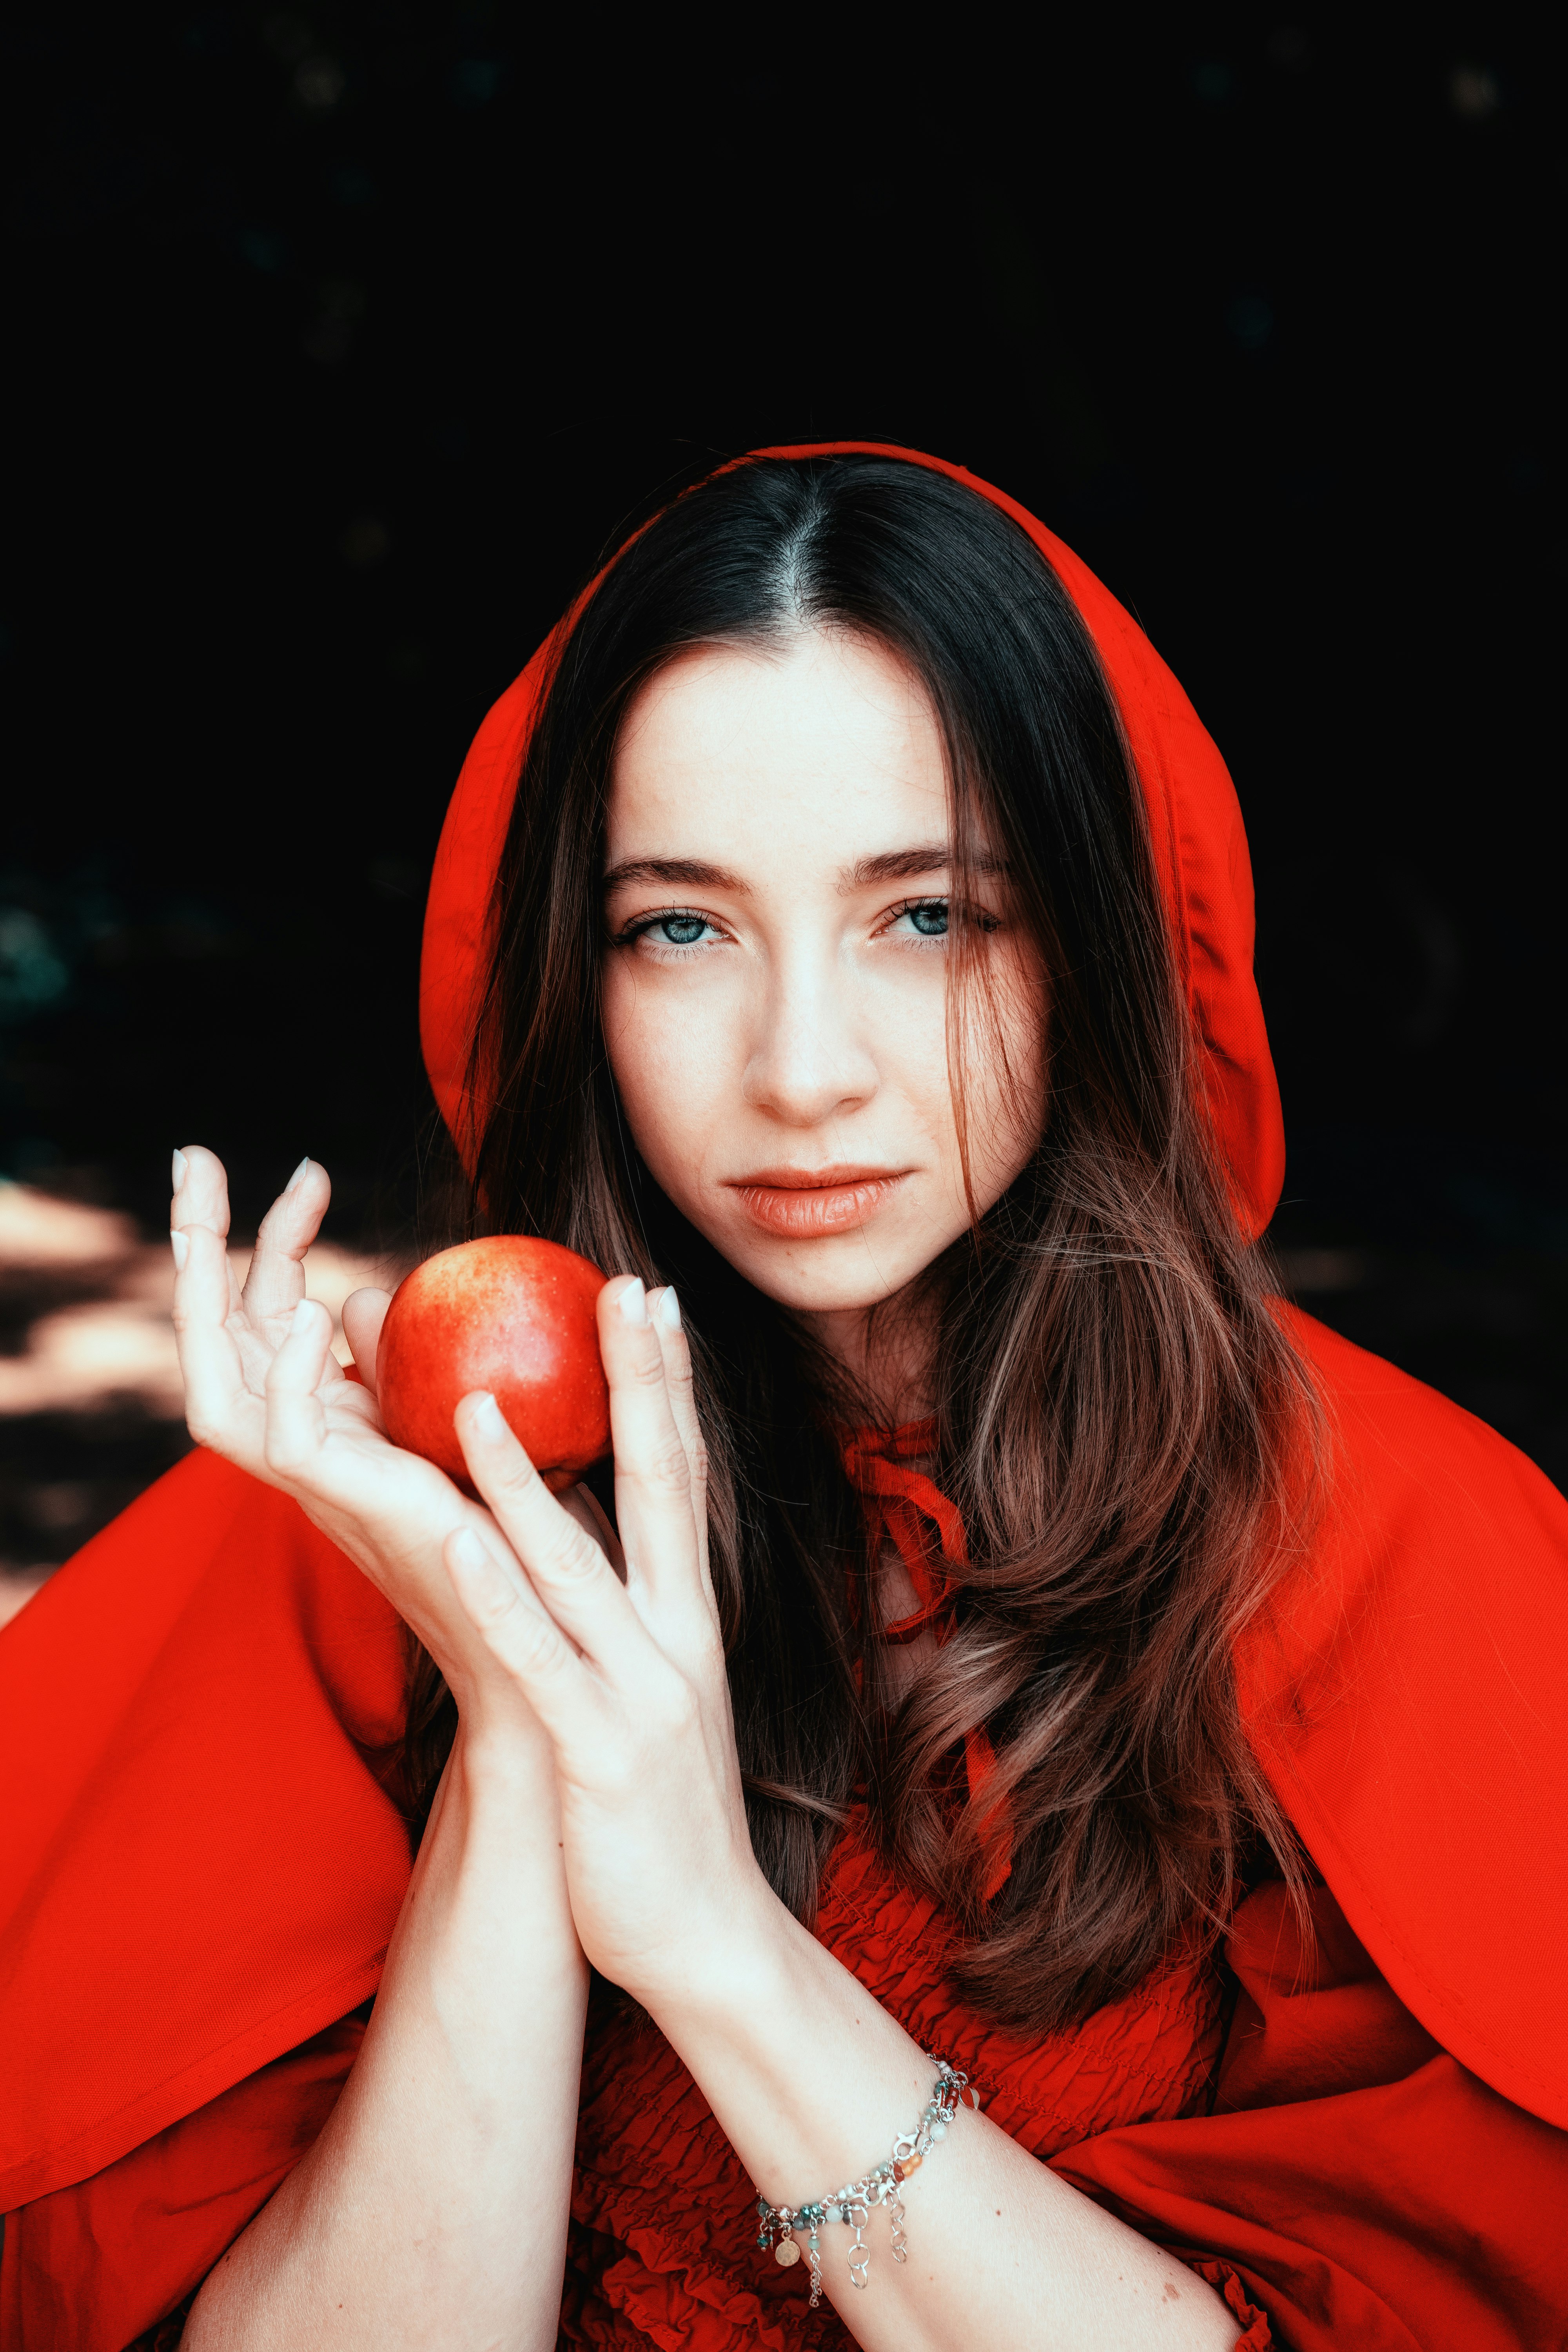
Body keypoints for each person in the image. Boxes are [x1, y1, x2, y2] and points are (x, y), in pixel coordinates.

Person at [2, 446, 1565, 2352]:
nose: (802, 1069)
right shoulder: (376, 1519)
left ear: (1096, 946)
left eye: (929, 917)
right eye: (683, 926)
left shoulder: (1402, 1558)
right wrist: (512, 1722)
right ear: (572, 980)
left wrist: (712, 1946)